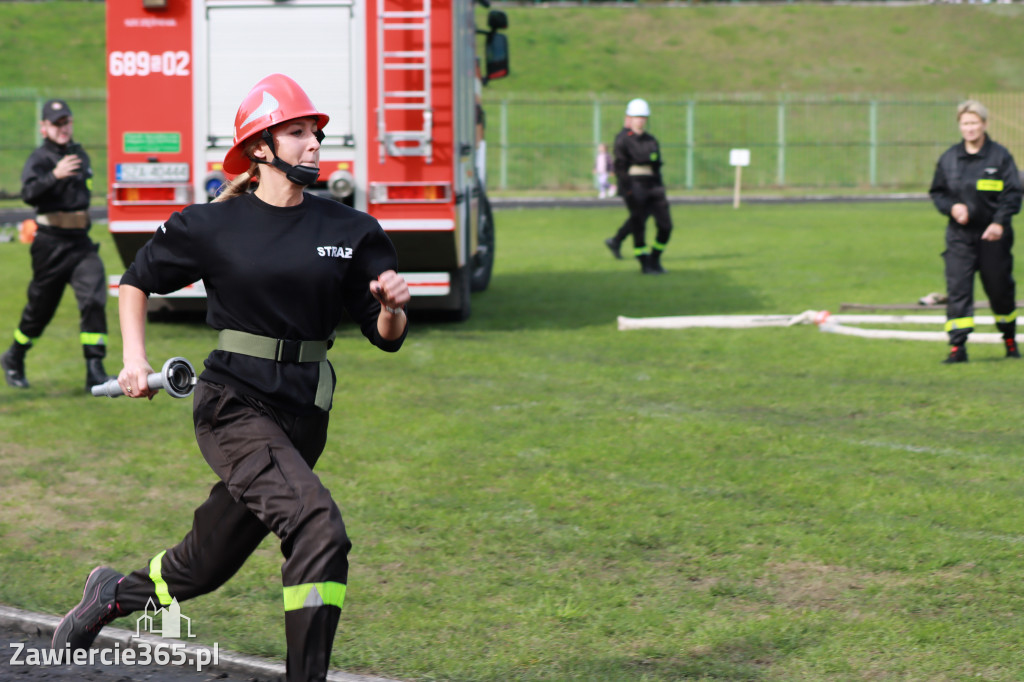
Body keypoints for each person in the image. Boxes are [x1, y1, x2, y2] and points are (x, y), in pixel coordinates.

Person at [50, 74, 411, 682]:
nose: (314, 143)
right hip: (233, 407)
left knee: (205, 565)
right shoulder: (212, 225)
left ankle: (112, 593)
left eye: (315, 132)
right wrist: (135, 359)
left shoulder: (350, 232)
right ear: (261, 148)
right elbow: (135, 281)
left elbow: (385, 337)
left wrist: (393, 307)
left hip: (304, 417)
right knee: (319, 528)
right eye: (298, 132)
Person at [1, 98, 113, 391]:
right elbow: (28, 194)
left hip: (81, 244)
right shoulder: (40, 158)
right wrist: (55, 175)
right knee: (41, 309)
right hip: (50, 244)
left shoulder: (80, 154)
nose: (63, 128)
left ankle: (94, 367)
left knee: (93, 299)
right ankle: (14, 355)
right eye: (56, 124)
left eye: (67, 122)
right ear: (44, 128)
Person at [929, 99, 1022, 364]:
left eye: (974, 122)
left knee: (1000, 290)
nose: (969, 128)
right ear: (959, 126)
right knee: (958, 290)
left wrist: (999, 222)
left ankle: (1009, 340)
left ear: (984, 124)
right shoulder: (949, 159)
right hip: (960, 237)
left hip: (993, 237)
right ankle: (958, 348)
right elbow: (938, 192)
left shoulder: (1000, 157)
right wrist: (952, 207)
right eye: (965, 123)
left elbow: (1013, 194)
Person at [602, 98, 673, 274]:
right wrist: (626, 189)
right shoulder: (624, 139)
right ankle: (644, 262)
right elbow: (621, 167)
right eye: (636, 117)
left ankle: (655, 257)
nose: (640, 120)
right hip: (634, 185)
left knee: (666, 225)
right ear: (629, 118)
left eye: (643, 117)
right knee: (638, 223)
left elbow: (656, 164)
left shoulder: (651, 140)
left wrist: (660, 186)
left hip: (654, 185)